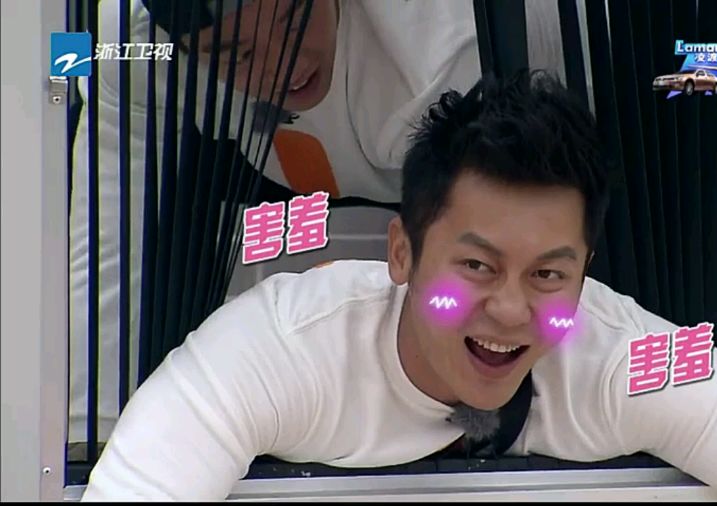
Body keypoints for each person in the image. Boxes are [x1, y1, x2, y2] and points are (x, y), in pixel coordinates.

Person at [80, 72, 717, 501]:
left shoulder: (620, 353)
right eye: (475, 267)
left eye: (549, 274)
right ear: (402, 253)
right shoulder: (278, 349)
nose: (511, 310)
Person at [68, 0, 564, 446]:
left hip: (526, 141)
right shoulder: (131, 48)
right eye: (237, 55)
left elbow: (499, 270)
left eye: (294, 22)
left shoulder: (441, 54)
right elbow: (109, 241)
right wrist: (90, 433)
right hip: (286, 180)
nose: (282, 64)